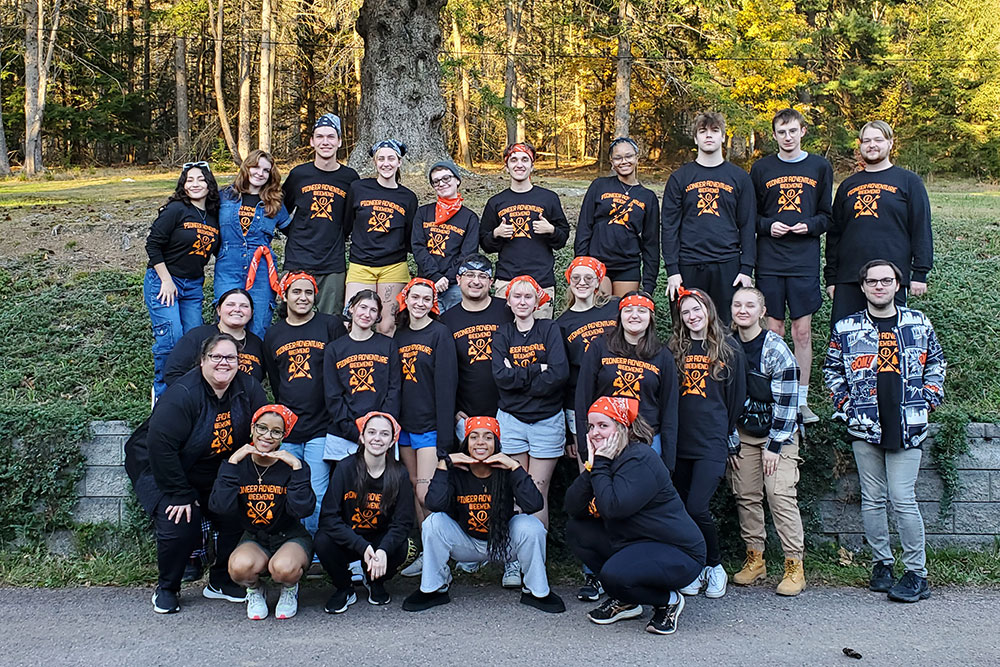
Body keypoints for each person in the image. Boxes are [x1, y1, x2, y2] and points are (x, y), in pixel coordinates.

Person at [823, 259, 945, 603]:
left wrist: (927, 401)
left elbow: (936, 363)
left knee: (903, 499)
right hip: (865, 425)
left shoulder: (918, 323)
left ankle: (917, 573)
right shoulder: (847, 328)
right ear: (863, 287)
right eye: (873, 281)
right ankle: (882, 564)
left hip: (908, 424)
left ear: (897, 285)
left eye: (886, 280)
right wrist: (847, 407)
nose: (879, 286)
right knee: (873, 499)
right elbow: (832, 370)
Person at [124, 333, 267, 614]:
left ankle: (221, 580)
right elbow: (160, 446)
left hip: (211, 468)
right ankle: (167, 587)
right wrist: (179, 494)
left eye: (231, 358)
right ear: (202, 361)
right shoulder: (183, 394)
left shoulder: (248, 388)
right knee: (179, 520)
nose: (223, 363)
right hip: (163, 467)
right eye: (216, 357)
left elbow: (262, 428)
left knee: (236, 510)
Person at [565, 397, 705, 635]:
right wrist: (591, 467)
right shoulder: (607, 460)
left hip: (678, 551)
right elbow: (572, 507)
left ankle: (667, 600)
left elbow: (613, 508)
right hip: (635, 542)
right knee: (577, 530)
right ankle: (627, 598)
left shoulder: (640, 458)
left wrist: (599, 464)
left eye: (603, 425)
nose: (595, 433)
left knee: (614, 575)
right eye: (591, 427)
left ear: (622, 427)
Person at [401, 417, 565, 614]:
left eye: (488, 437)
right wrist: (444, 465)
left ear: (496, 443)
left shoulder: (506, 470)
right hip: (465, 543)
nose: (480, 442)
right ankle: (434, 588)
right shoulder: (456, 471)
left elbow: (534, 504)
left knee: (532, 526)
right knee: (432, 523)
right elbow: (434, 504)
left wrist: (515, 467)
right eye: (474, 437)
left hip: (502, 544)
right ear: (466, 443)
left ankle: (537, 591)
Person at [750, 108, 833, 423]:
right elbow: (750, 217)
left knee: (801, 331)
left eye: (792, 131)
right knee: (774, 329)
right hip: (770, 259)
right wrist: (767, 226)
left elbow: (827, 215)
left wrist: (809, 226)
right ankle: (773, 396)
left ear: (803, 132)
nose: (787, 137)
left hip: (804, 261)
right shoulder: (761, 168)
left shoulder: (819, 167)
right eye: (781, 132)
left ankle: (800, 401)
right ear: (774, 135)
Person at [667, 287, 746, 600]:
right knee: (681, 510)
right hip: (679, 441)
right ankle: (692, 566)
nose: (692, 316)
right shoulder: (673, 348)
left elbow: (736, 398)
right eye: (686, 312)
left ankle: (714, 565)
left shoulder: (729, 349)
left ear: (709, 310)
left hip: (711, 441)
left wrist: (724, 435)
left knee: (697, 507)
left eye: (696, 309)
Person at [728, 287, 807, 596]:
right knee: (745, 494)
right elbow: (722, 400)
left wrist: (775, 446)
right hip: (742, 432)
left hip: (779, 432)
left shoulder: (775, 349)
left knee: (779, 494)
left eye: (750, 305)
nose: (743, 310)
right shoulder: (727, 346)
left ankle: (794, 565)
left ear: (762, 312)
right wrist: (731, 439)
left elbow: (788, 403)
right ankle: (755, 559)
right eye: (737, 304)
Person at [209, 405, 315, 620]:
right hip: (255, 537)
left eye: (276, 431)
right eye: (262, 428)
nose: (267, 436)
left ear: (283, 436)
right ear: (252, 428)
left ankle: (289, 589)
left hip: (290, 536)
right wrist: (231, 464)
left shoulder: (292, 466)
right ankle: (255, 590)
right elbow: (220, 507)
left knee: (284, 569)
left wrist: (297, 467)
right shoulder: (236, 465)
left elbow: (302, 509)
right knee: (239, 568)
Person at [263, 272, 347, 536]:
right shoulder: (274, 334)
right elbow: (276, 381)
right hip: (288, 428)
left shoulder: (330, 326)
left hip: (321, 425)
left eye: (308, 293)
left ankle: (316, 550)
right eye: (296, 292)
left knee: (317, 490)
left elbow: (341, 370)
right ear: (284, 296)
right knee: (290, 489)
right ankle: (294, 544)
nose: (302, 298)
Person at [826, 121, 933, 326]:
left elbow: (921, 228)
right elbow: (835, 234)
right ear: (860, 145)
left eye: (878, 140)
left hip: (891, 278)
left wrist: (919, 273)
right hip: (849, 277)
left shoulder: (909, 182)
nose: (871, 145)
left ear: (891, 143)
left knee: (890, 342)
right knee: (846, 341)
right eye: (866, 140)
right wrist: (832, 277)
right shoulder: (848, 185)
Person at [315, 412, 415, 612]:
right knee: (322, 540)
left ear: (392, 441)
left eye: (384, 434)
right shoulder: (345, 468)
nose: (377, 438)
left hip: (379, 540)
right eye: (372, 432)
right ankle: (345, 587)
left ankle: (374, 581)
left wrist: (383, 549)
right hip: (349, 538)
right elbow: (328, 518)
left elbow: (402, 523)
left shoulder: (400, 474)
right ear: (362, 437)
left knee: (402, 546)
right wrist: (362, 547)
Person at [492, 275, 569, 535]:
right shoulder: (503, 333)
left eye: (528, 296)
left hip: (547, 420)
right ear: (509, 301)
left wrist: (519, 379)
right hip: (512, 419)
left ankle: (536, 556)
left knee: (537, 490)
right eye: (517, 296)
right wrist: (538, 368)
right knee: (515, 488)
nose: (522, 302)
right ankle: (514, 560)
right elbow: (500, 378)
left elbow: (559, 374)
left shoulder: (549, 329)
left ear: (538, 301)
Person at [661, 112, 756, 323]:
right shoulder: (680, 178)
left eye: (715, 131)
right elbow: (669, 226)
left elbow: (748, 225)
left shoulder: (740, 178)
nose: (709, 136)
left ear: (723, 136)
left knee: (726, 330)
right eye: (703, 132)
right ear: (695, 138)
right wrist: (672, 270)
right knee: (687, 328)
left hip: (728, 265)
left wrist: (746, 268)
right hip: (689, 265)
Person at [144, 161, 221, 397]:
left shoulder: (213, 216)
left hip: (194, 286)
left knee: (195, 342)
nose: (195, 184)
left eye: (201, 179)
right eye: (190, 180)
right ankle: (162, 394)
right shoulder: (176, 209)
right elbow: (153, 244)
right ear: (183, 185)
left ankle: (188, 393)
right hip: (164, 281)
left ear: (209, 184)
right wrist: (166, 280)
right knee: (171, 338)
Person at [576, 290, 679, 466]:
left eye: (642, 310)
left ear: (650, 317)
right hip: (605, 438)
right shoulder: (599, 347)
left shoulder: (663, 355)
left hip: (647, 440)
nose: (634, 316)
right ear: (620, 316)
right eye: (628, 310)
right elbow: (583, 397)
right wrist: (584, 446)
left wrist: (669, 461)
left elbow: (669, 409)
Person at [479, 142, 570, 319]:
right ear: (506, 167)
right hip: (507, 279)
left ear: (532, 165)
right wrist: (496, 234)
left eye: (524, 160)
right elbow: (485, 243)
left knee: (540, 336)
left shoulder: (548, 198)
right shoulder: (496, 202)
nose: (519, 164)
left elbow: (562, 238)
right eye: (513, 160)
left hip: (541, 280)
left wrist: (551, 230)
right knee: (505, 335)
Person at [281, 113, 359, 316]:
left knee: (330, 320)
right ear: (312, 141)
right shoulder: (299, 175)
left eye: (331, 137)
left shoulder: (350, 178)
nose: (326, 142)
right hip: (298, 259)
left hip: (332, 261)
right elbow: (280, 210)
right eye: (320, 137)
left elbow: (351, 219)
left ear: (339, 141)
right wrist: (294, 232)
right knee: (293, 317)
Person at [393, 278, 458, 525]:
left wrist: (445, 437)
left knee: (427, 493)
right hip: (405, 425)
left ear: (433, 303)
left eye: (426, 299)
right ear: (405, 300)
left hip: (430, 425)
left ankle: (438, 550)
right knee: (412, 487)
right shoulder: (399, 336)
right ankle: (426, 551)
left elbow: (446, 386)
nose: (420, 303)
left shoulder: (440, 334)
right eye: (415, 297)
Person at [344, 139, 418, 335]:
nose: (386, 163)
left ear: (399, 162)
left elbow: (410, 235)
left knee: (387, 325)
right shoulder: (358, 188)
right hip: (361, 264)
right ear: (374, 162)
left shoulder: (408, 197)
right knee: (354, 321)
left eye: (391, 158)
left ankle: (385, 364)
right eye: (381, 159)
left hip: (393, 266)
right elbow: (346, 224)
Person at [215, 149, 290, 338]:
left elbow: (295, 233)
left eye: (266, 170)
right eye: (256, 167)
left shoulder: (275, 203)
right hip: (228, 268)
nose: (260, 173)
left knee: (258, 325)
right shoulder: (224, 196)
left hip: (262, 271)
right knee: (228, 323)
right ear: (246, 168)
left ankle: (255, 366)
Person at [439, 254, 514, 442]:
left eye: (482, 276)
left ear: (491, 282)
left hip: (509, 411)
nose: (475, 281)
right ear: (458, 279)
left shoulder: (507, 311)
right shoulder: (447, 320)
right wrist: (454, 410)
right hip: (467, 415)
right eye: (469, 275)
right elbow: (444, 372)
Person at [323, 289, 401, 464]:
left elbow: (394, 389)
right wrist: (353, 431)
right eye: (362, 307)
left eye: (373, 310)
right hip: (345, 434)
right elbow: (332, 395)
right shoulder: (334, 349)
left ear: (378, 315)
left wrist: (380, 430)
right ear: (351, 308)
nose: (367, 314)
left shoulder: (388, 345)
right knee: (346, 488)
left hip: (382, 434)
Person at [574, 138, 660, 296]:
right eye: (618, 158)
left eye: (628, 156)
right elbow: (584, 227)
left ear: (636, 158)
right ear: (611, 162)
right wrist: (580, 263)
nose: (624, 161)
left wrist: (649, 285)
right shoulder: (599, 185)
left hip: (628, 266)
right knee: (600, 313)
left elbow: (651, 243)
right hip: (597, 262)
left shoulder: (648, 197)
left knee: (622, 314)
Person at [556, 257, 619, 469]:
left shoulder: (615, 307)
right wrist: (567, 430)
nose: (582, 282)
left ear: (598, 281)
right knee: (589, 468)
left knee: (622, 465)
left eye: (588, 278)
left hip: (618, 397)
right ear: (569, 281)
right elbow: (564, 375)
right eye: (576, 277)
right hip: (581, 405)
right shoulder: (562, 324)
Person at [411, 161, 481, 312]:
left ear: (457, 180)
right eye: (436, 181)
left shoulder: (470, 218)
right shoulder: (423, 213)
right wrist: (435, 276)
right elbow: (418, 247)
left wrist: (446, 280)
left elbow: (467, 254)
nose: (441, 183)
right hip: (426, 283)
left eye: (446, 178)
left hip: (454, 286)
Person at [164, 288, 265, 387]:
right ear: (219, 310)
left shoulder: (257, 343)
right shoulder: (197, 336)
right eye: (230, 305)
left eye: (244, 306)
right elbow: (172, 374)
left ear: (251, 313)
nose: (237, 309)